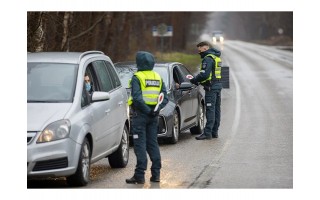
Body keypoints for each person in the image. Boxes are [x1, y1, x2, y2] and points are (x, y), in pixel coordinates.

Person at [126, 51, 168, 184]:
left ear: (139, 63)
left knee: (140, 145)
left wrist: (147, 111)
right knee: (152, 144)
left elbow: (137, 98)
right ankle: (156, 175)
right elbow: (165, 98)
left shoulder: (137, 77)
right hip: (154, 116)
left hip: (140, 115)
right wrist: (156, 110)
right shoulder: (157, 77)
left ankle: (139, 175)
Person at [190, 41, 222, 140]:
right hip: (218, 86)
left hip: (211, 88)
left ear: (205, 48)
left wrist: (194, 80)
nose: (199, 53)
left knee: (210, 110)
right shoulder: (216, 57)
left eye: (200, 51)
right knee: (216, 110)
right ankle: (214, 132)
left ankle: (207, 133)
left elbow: (204, 75)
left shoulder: (208, 59)